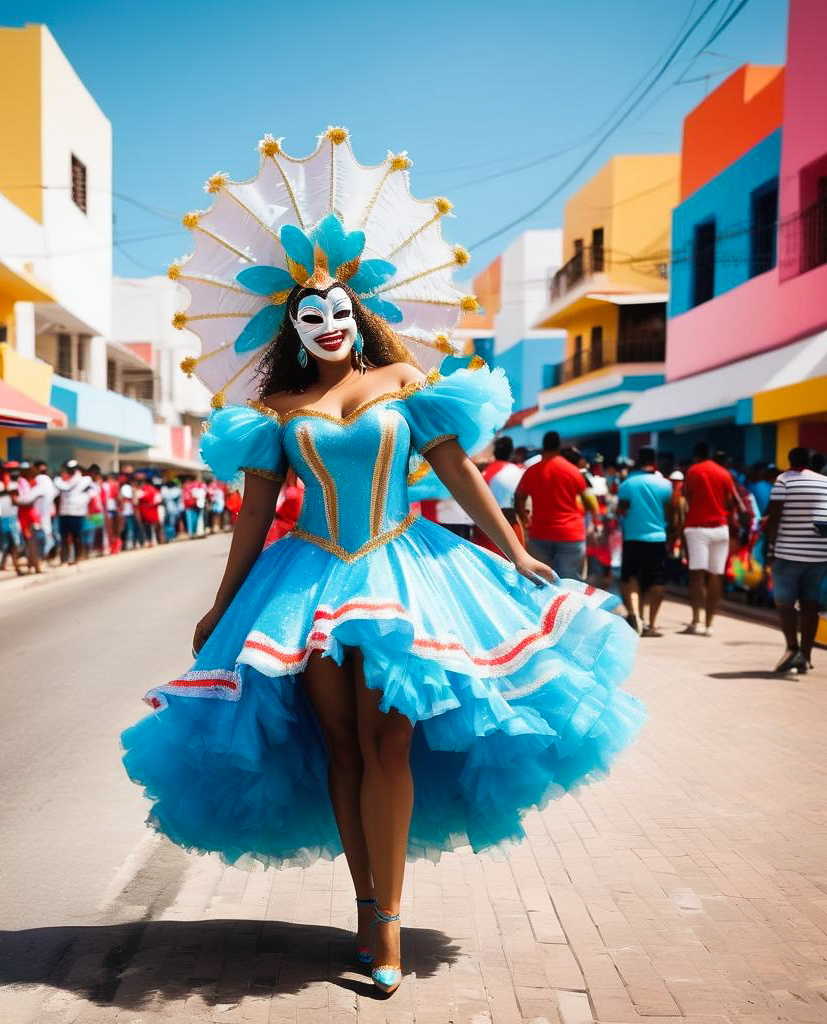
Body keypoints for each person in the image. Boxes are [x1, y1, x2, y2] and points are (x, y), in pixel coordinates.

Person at [119, 136, 642, 998]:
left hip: (407, 575)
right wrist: (223, 605)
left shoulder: (407, 380)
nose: (325, 325)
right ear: (289, 326)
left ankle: (387, 927)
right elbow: (254, 514)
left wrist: (513, 552)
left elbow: (458, 471)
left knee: (388, 739)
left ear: (360, 311)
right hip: (309, 577)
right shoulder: (275, 410)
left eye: (337, 311)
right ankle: (366, 910)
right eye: (307, 316)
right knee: (342, 750)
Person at [764, 447, 827, 674]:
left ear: (790, 460)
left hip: (787, 553)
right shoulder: (824, 481)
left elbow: (775, 516)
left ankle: (792, 647)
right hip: (819, 555)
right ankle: (806, 657)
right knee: (810, 605)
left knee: (785, 604)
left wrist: (769, 546)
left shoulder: (784, 480)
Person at [514, 430, 598, 581]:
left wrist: (524, 518)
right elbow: (590, 500)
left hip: (540, 533)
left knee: (541, 582)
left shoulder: (532, 471)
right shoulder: (572, 471)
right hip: (571, 534)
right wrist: (594, 521)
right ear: (558, 447)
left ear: (543, 447)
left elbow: (519, 497)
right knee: (570, 583)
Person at [682, 441, 742, 636]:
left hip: (698, 527)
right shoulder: (725, 473)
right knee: (716, 574)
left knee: (696, 575)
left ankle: (696, 621)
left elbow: (687, 496)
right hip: (721, 528)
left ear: (696, 455)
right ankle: (709, 625)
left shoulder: (694, 470)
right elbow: (731, 501)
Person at [616, 447, 674, 636]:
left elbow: (622, 510)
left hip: (632, 537)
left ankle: (634, 615)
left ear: (638, 461)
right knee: (656, 579)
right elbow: (670, 511)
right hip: (658, 537)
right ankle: (652, 623)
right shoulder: (665, 484)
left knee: (629, 578)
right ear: (654, 461)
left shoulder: (628, 484)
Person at [54, 459, 93, 564]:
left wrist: (81, 504)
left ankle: (78, 557)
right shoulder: (60, 481)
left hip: (77, 514)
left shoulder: (84, 480)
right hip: (64, 513)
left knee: (77, 536)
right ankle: (64, 559)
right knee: (64, 537)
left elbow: (91, 495)